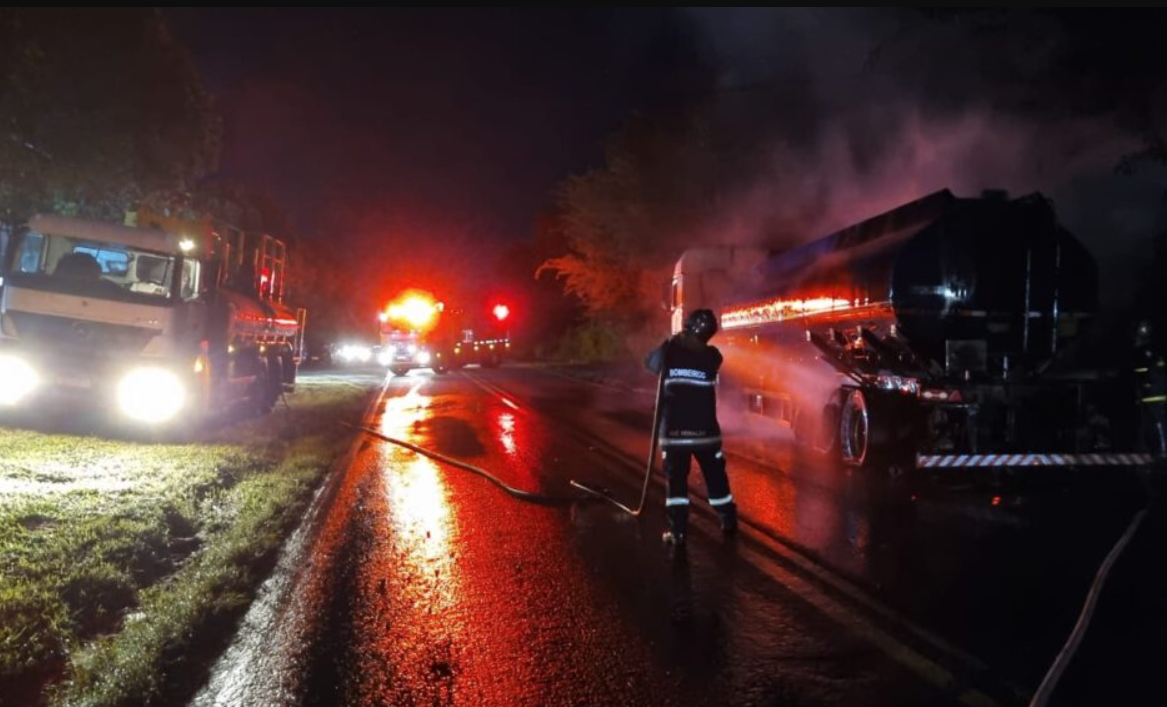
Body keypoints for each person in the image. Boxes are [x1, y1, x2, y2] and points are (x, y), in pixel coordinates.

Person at [644, 308, 737, 548]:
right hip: (706, 434)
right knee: (716, 480)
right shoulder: (712, 356)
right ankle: (728, 518)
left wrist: (670, 342)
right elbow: (707, 358)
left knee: (676, 486)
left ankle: (678, 533)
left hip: (675, 435)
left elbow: (650, 363)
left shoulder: (670, 350)